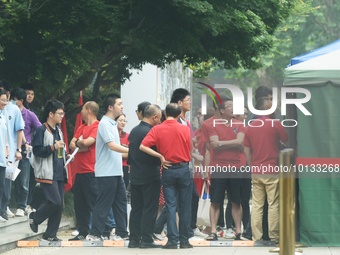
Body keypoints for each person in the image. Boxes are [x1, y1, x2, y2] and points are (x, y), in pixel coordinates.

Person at [140, 103, 193, 249]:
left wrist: (161, 157)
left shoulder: (157, 129)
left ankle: (172, 240)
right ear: (178, 114)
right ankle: (184, 240)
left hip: (168, 169)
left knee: (170, 205)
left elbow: (142, 146)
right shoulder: (185, 129)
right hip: (183, 169)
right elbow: (190, 148)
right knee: (184, 206)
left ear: (165, 114)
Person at [243, 97, 288, 242]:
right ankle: (274, 236)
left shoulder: (250, 127)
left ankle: (257, 237)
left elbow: (247, 151)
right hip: (272, 169)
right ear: (266, 109)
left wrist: (251, 167)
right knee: (273, 203)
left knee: (257, 204)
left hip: (256, 170)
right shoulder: (275, 124)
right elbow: (287, 140)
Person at [86, 93, 129, 241]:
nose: (122, 106)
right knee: (103, 204)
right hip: (106, 172)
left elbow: (117, 146)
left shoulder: (112, 124)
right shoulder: (104, 123)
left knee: (121, 203)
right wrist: (132, 151)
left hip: (116, 172)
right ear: (111, 107)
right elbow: (112, 146)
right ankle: (95, 233)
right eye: (119, 104)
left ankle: (122, 233)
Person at [205, 97, 245, 241]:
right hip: (218, 167)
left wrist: (221, 143)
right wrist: (231, 143)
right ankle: (213, 231)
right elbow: (213, 145)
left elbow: (240, 141)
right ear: (222, 110)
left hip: (235, 167)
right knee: (215, 201)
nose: (232, 108)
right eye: (229, 106)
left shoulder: (240, 124)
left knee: (236, 200)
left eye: (233, 105)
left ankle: (238, 231)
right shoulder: (212, 125)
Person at [28, 100, 68, 241]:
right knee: (54, 201)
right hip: (47, 172)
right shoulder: (41, 130)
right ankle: (35, 217)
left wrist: (66, 155)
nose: (62, 116)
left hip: (59, 172)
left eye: (63, 113)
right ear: (51, 114)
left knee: (59, 205)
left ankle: (51, 234)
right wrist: (52, 147)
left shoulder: (59, 131)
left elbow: (59, 150)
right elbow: (37, 150)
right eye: (59, 113)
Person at [170, 88, 204, 238]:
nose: (190, 103)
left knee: (188, 198)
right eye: (188, 100)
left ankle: (189, 228)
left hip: (187, 165)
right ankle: (187, 230)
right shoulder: (176, 122)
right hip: (178, 165)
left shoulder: (186, 122)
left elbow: (191, 142)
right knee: (180, 200)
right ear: (179, 102)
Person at [128, 104, 162, 248]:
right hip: (150, 174)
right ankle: (147, 239)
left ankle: (134, 239)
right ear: (154, 117)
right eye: (159, 118)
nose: (160, 121)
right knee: (149, 207)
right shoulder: (152, 132)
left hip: (135, 174)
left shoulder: (134, 130)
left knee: (136, 208)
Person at [68, 101, 100, 241]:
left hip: (91, 170)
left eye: (82, 109)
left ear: (89, 110)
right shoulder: (81, 126)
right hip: (79, 171)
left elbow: (87, 143)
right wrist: (81, 145)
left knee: (92, 202)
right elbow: (71, 143)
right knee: (79, 203)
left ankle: (99, 231)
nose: (81, 111)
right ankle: (83, 231)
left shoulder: (97, 126)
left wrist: (80, 144)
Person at [10, 88, 41, 217]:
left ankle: (22, 206)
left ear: (20, 101)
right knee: (8, 179)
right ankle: (5, 205)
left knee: (23, 180)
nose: (11, 102)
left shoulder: (29, 115)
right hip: (10, 148)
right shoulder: (8, 112)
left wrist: (32, 144)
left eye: (14, 100)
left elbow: (40, 129)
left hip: (24, 149)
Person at [0, 80, 24, 220]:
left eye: (4, 98)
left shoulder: (9, 112)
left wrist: (14, 149)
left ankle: (4, 208)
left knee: (5, 183)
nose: (4, 102)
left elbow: (16, 131)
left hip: (6, 155)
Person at [0, 89, 9, 222]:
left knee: (1, 184)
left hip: (2, 158)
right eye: (2, 100)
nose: (5, 103)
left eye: (6, 100)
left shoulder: (2, 116)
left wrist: (7, 149)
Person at [115, 113, 130, 189]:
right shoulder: (111, 135)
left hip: (124, 166)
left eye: (124, 121)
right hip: (112, 166)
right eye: (120, 120)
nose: (123, 122)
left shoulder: (128, 136)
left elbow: (129, 153)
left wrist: (115, 154)